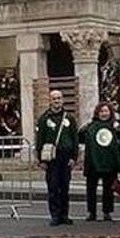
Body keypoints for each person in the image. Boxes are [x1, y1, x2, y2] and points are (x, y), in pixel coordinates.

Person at [34, 89, 78, 226]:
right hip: (51, 158)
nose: (57, 101)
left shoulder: (69, 118)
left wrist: (74, 157)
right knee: (53, 187)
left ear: (62, 100)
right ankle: (55, 215)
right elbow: (39, 139)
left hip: (66, 157)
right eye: (54, 98)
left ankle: (64, 215)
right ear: (50, 101)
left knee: (65, 187)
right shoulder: (44, 119)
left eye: (59, 98)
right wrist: (41, 159)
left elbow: (74, 138)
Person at [80, 101, 120, 222]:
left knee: (108, 189)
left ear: (110, 112)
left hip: (110, 162)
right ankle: (91, 212)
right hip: (93, 162)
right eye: (101, 111)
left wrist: (119, 128)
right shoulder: (91, 126)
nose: (104, 114)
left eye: (106, 111)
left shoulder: (115, 126)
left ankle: (107, 212)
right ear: (97, 113)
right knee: (91, 189)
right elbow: (80, 137)